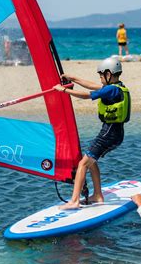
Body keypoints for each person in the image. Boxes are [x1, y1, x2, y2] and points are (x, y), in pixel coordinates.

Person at [53, 58, 130, 210]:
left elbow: (86, 94)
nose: (100, 79)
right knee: (91, 161)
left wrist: (63, 90)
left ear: (109, 74)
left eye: (101, 75)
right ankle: (98, 195)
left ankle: (74, 201)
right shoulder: (117, 87)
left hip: (108, 134)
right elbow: (93, 85)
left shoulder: (111, 89)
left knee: (83, 163)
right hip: (115, 133)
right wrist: (73, 78)